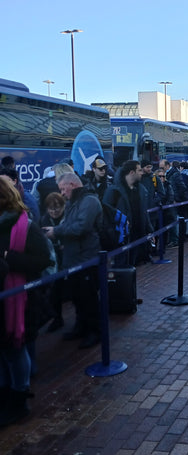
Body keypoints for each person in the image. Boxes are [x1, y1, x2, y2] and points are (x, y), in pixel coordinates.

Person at [0, 176, 52, 426]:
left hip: (18, 302)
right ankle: (6, 393)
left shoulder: (25, 226)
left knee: (14, 349)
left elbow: (43, 260)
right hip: (4, 299)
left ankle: (19, 397)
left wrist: (10, 258)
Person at [43, 173, 103, 349]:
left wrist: (57, 231)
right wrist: (57, 230)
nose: (61, 193)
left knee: (88, 297)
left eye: (63, 188)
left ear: (72, 185)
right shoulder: (74, 202)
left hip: (86, 257)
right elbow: (71, 225)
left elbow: (80, 227)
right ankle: (81, 326)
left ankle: (94, 331)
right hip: (75, 257)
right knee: (78, 297)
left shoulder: (89, 201)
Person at [104, 160, 151, 266]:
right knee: (120, 267)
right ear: (131, 172)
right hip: (120, 238)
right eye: (139, 170)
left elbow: (144, 211)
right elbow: (107, 215)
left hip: (137, 235)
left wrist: (149, 230)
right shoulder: (114, 191)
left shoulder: (141, 190)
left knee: (131, 266)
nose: (142, 172)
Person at [40, 192, 66, 332]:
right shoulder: (44, 220)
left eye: (57, 208)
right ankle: (57, 317)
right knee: (54, 290)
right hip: (54, 259)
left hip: (67, 257)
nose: (54, 212)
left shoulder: (68, 217)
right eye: (51, 209)